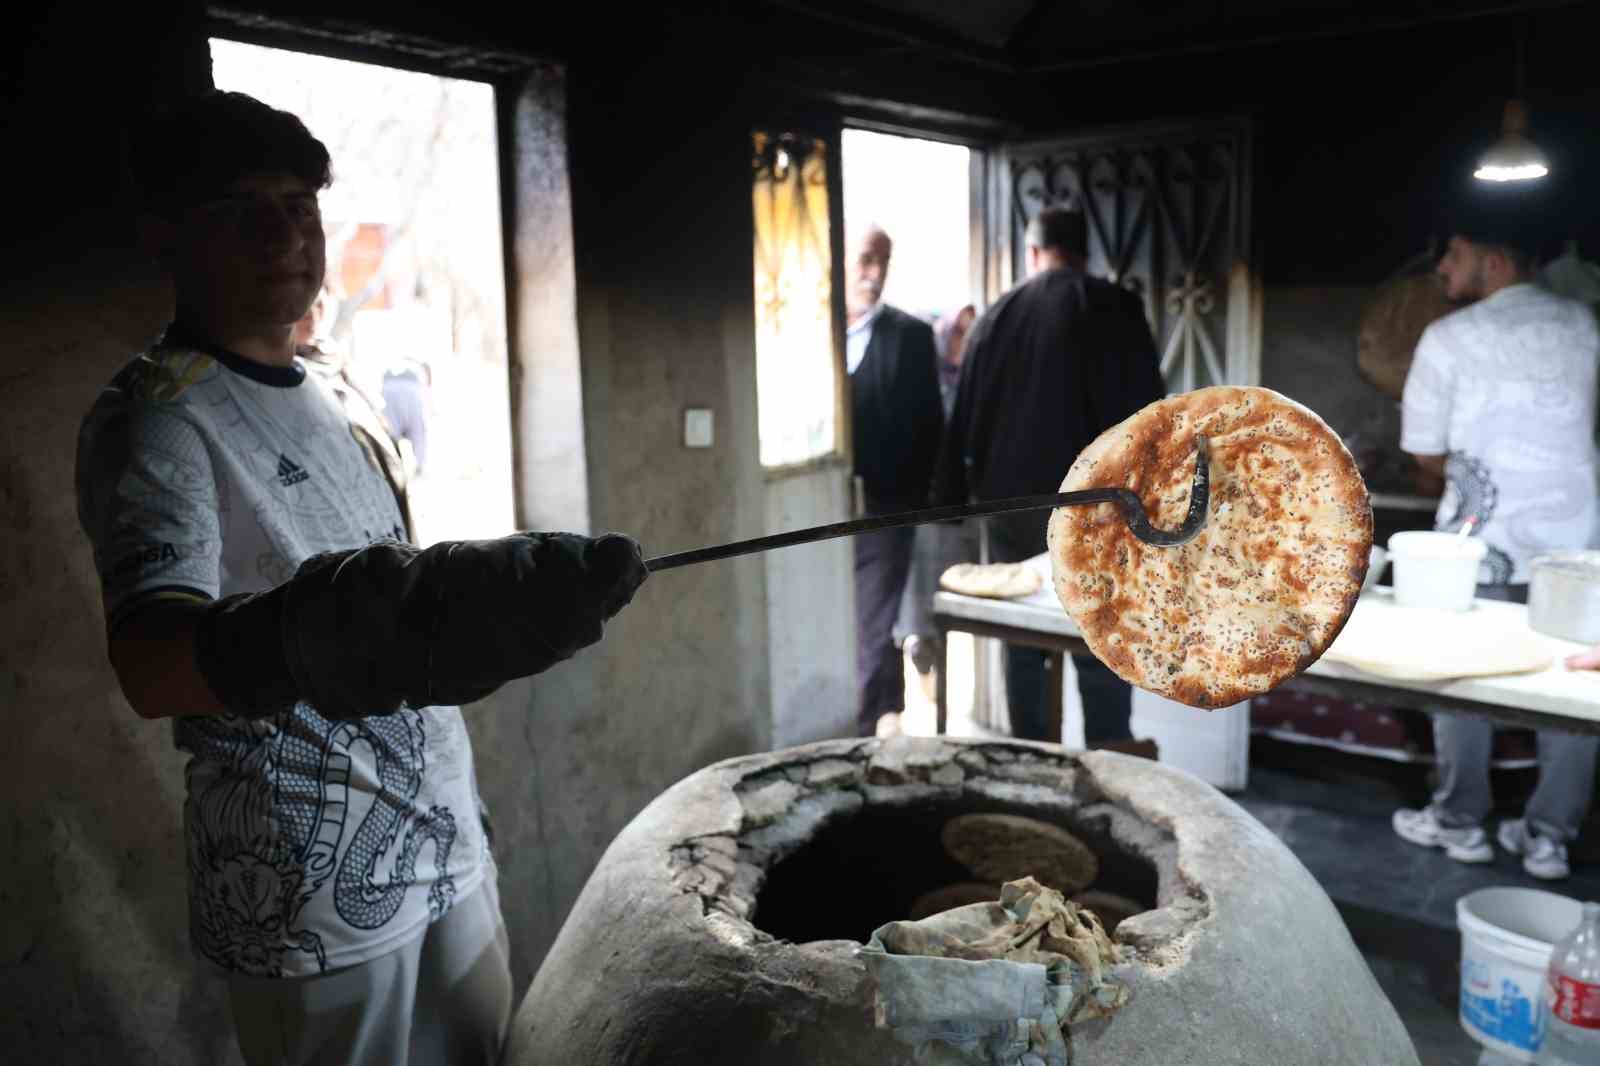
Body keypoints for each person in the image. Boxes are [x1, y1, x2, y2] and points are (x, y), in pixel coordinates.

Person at [75, 91, 647, 1065]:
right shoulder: (158, 419)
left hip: (437, 827)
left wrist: (485, 598)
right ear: (168, 235)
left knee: (485, 1051)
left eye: (301, 205)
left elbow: (399, 589)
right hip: (301, 871)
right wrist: (325, 627)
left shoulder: (338, 390)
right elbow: (152, 663)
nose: (285, 233)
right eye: (245, 209)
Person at [1391, 191, 1599, 881]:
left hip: (1473, 542)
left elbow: (1423, 453)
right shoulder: (1586, 325)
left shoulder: (1448, 338)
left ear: (1496, 259)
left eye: (1453, 255)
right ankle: (1548, 836)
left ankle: (1458, 822)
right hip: (1573, 541)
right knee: (1568, 680)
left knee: (1459, 671)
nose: (1444, 271)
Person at [934, 205, 1165, 744]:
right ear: (1086, 254)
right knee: (1101, 631)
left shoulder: (996, 316)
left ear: (1033, 253)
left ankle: (1031, 755)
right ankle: (1112, 759)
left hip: (1010, 508)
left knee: (1022, 640)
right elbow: (1152, 418)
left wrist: (948, 496)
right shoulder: (1115, 307)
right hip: (1098, 509)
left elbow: (963, 414)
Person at [846, 224, 944, 737]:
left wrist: (913, 504)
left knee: (871, 624)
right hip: (815, 509)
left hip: (885, 509)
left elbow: (930, 426)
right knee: (847, 628)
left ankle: (865, 733)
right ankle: (884, 716)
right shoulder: (802, 331)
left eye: (883, 261)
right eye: (865, 259)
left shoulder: (910, 336)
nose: (875, 273)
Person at [899, 303, 978, 690]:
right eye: (959, 333)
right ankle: (924, 657)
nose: (964, 341)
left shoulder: (973, 379)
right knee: (924, 596)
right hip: (930, 505)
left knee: (954, 597)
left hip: (960, 506)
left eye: (970, 333)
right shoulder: (929, 377)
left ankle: (940, 670)